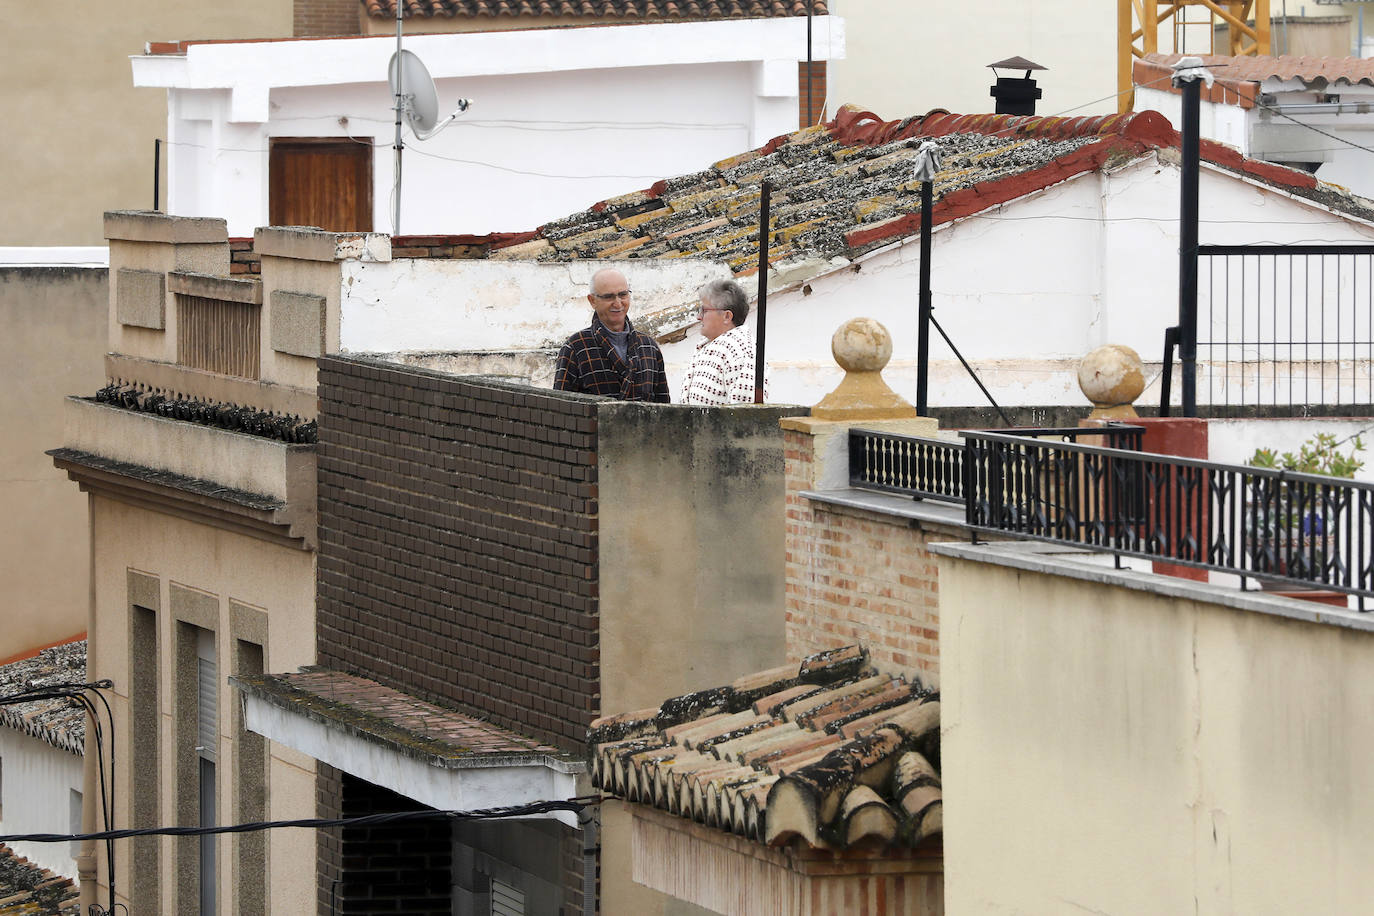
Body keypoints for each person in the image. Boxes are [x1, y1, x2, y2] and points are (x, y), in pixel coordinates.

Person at [553, 267, 670, 403]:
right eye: (609, 296)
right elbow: (561, 407)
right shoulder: (575, 347)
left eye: (623, 294)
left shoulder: (649, 346)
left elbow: (664, 408)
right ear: (592, 301)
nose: (618, 303)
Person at [681, 278, 766, 405]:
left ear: (727, 316)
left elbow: (744, 415)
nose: (699, 317)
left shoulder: (740, 352)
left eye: (704, 310)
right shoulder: (711, 345)